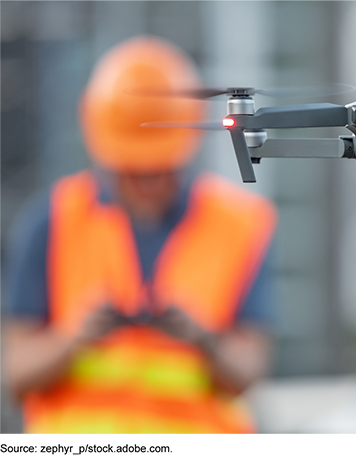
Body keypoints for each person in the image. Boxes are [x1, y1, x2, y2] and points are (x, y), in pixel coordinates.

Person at [2, 35, 277, 433]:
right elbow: (15, 373)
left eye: (158, 167)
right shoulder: (51, 221)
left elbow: (250, 369)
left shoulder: (240, 225)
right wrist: (73, 338)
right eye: (132, 168)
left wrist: (204, 340)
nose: (146, 179)